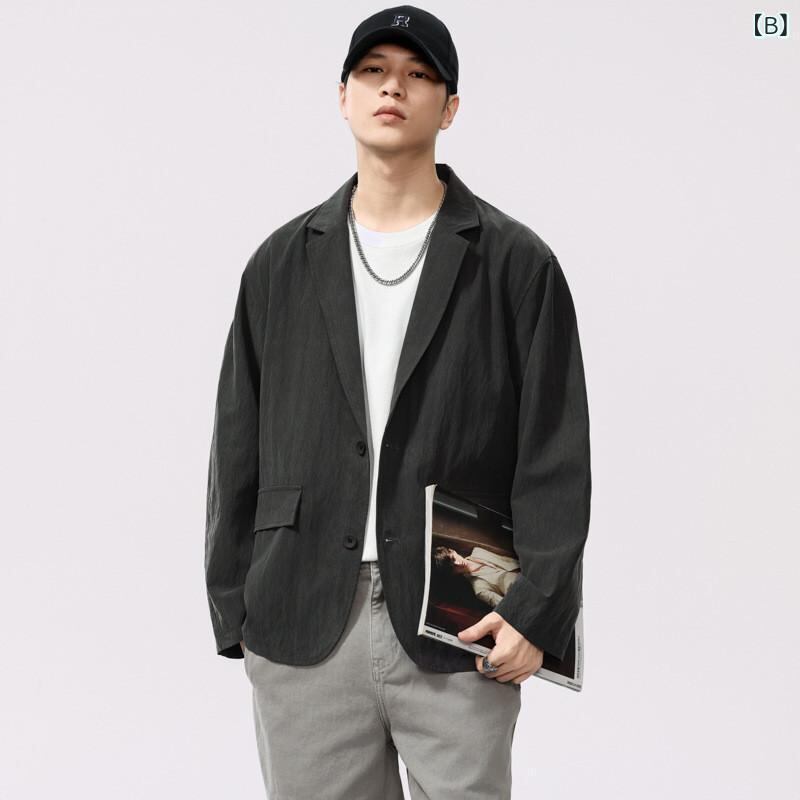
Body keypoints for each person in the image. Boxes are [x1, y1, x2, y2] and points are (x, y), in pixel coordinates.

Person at [204, 5, 591, 797]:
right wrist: (235, 603)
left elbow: (555, 453)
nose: (393, 88)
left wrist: (537, 611)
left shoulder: (516, 263)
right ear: (342, 96)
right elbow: (236, 442)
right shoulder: (280, 264)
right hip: (302, 615)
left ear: (450, 108)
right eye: (374, 71)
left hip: (460, 621)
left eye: (418, 75)